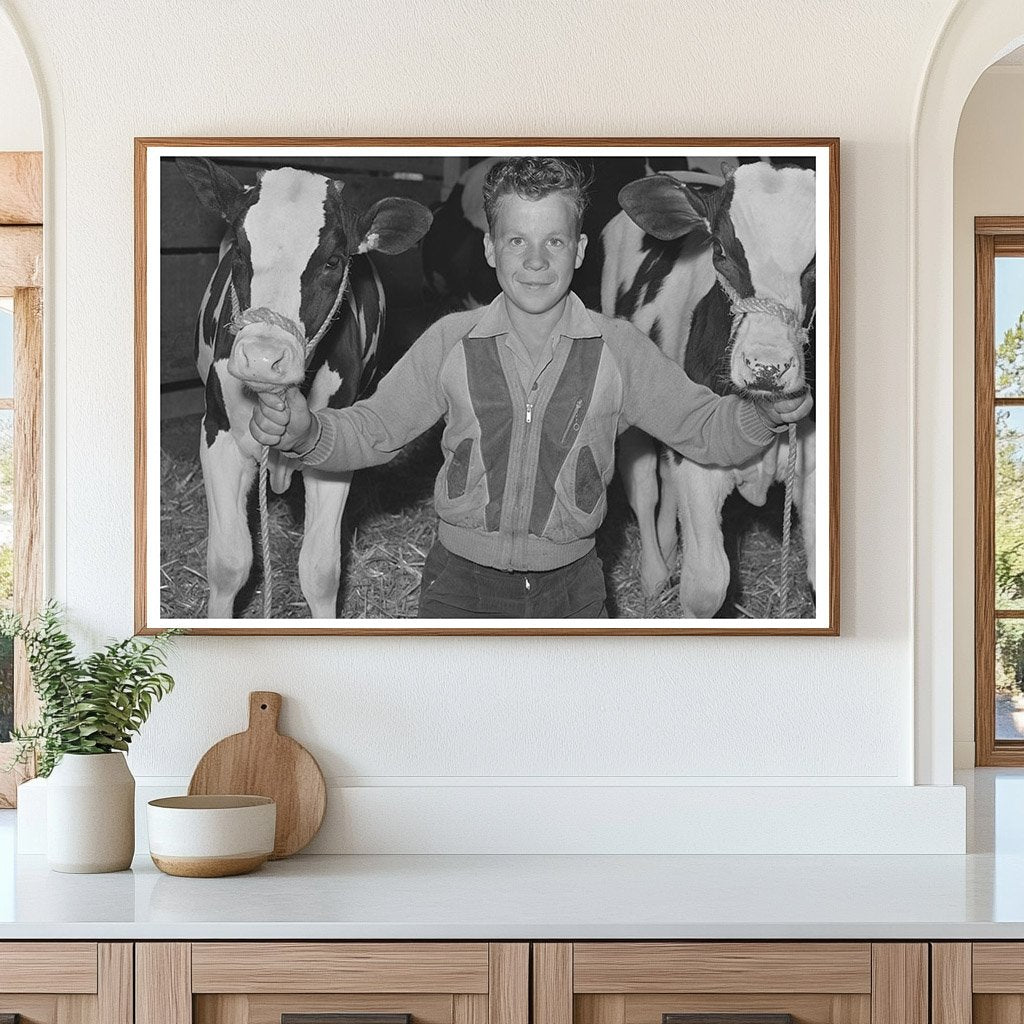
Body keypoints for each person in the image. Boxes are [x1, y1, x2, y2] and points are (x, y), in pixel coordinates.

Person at [249, 157, 813, 619]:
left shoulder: (619, 349)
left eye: (555, 242)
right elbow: (372, 431)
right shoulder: (451, 340)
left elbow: (706, 432)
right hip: (457, 587)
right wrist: (306, 432)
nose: (536, 261)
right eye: (517, 241)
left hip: (573, 590)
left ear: (582, 251)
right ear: (491, 250)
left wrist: (765, 415)